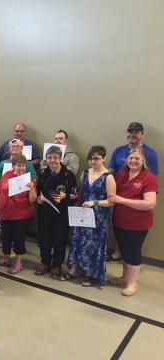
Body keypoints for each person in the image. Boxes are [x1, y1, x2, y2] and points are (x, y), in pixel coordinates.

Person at [60, 146, 116, 286]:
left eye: (96, 158)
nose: (93, 161)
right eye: (90, 158)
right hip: (83, 213)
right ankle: (73, 270)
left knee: (93, 244)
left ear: (103, 158)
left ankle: (90, 273)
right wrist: (70, 199)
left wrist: (95, 202)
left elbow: (111, 201)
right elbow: (79, 193)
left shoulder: (108, 177)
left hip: (99, 217)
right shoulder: (85, 173)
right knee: (77, 240)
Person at [108, 149, 158, 296]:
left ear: (143, 162)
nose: (133, 161)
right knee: (123, 251)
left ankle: (132, 284)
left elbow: (149, 204)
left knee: (133, 253)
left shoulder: (149, 178)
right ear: (126, 160)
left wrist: (121, 200)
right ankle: (125, 277)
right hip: (119, 221)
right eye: (131, 158)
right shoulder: (121, 174)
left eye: (137, 158)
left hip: (137, 224)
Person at [107, 122, 159, 262]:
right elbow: (110, 172)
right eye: (130, 132)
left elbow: (152, 180)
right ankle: (118, 253)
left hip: (137, 200)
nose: (132, 135)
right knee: (119, 229)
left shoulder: (150, 154)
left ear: (142, 135)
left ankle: (130, 267)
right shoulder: (119, 151)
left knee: (132, 244)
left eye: (136, 132)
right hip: (117, 197)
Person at [35, 146, 78, 278]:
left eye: (55, 157)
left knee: (60, 241)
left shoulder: (68, 175)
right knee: (44, 239)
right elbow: (37, 191)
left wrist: (66, 196)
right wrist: (38, 198)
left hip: (62, 215)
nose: (52, 160)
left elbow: (75, 196)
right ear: (46, 159)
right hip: (45, 214)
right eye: (49, 157)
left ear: (60, 158)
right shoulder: (43, 174)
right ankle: (45, 263)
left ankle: (56, 266)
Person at [0, 154, 37, 273]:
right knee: (5, 237)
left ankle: (18, 263)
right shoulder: (7, 175)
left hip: (20, 216)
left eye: (23, 165)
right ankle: (6, 258)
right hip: (5, 213)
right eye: (18, 165)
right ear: (13, 166)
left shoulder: (29, 180)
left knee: (19, 239)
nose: (21, 168)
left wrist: (32, 188)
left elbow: (33, 200)